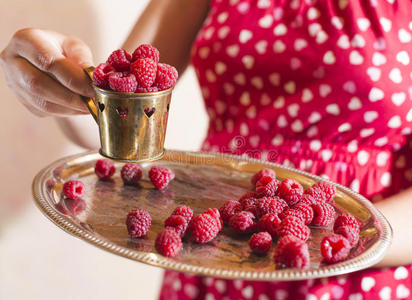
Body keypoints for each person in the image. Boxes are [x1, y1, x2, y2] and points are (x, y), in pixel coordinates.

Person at [1, 0, 412, 299]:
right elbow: (124, 114)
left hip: (352, 274)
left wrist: (333, 244)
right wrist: (58, 77)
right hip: (218, 250)